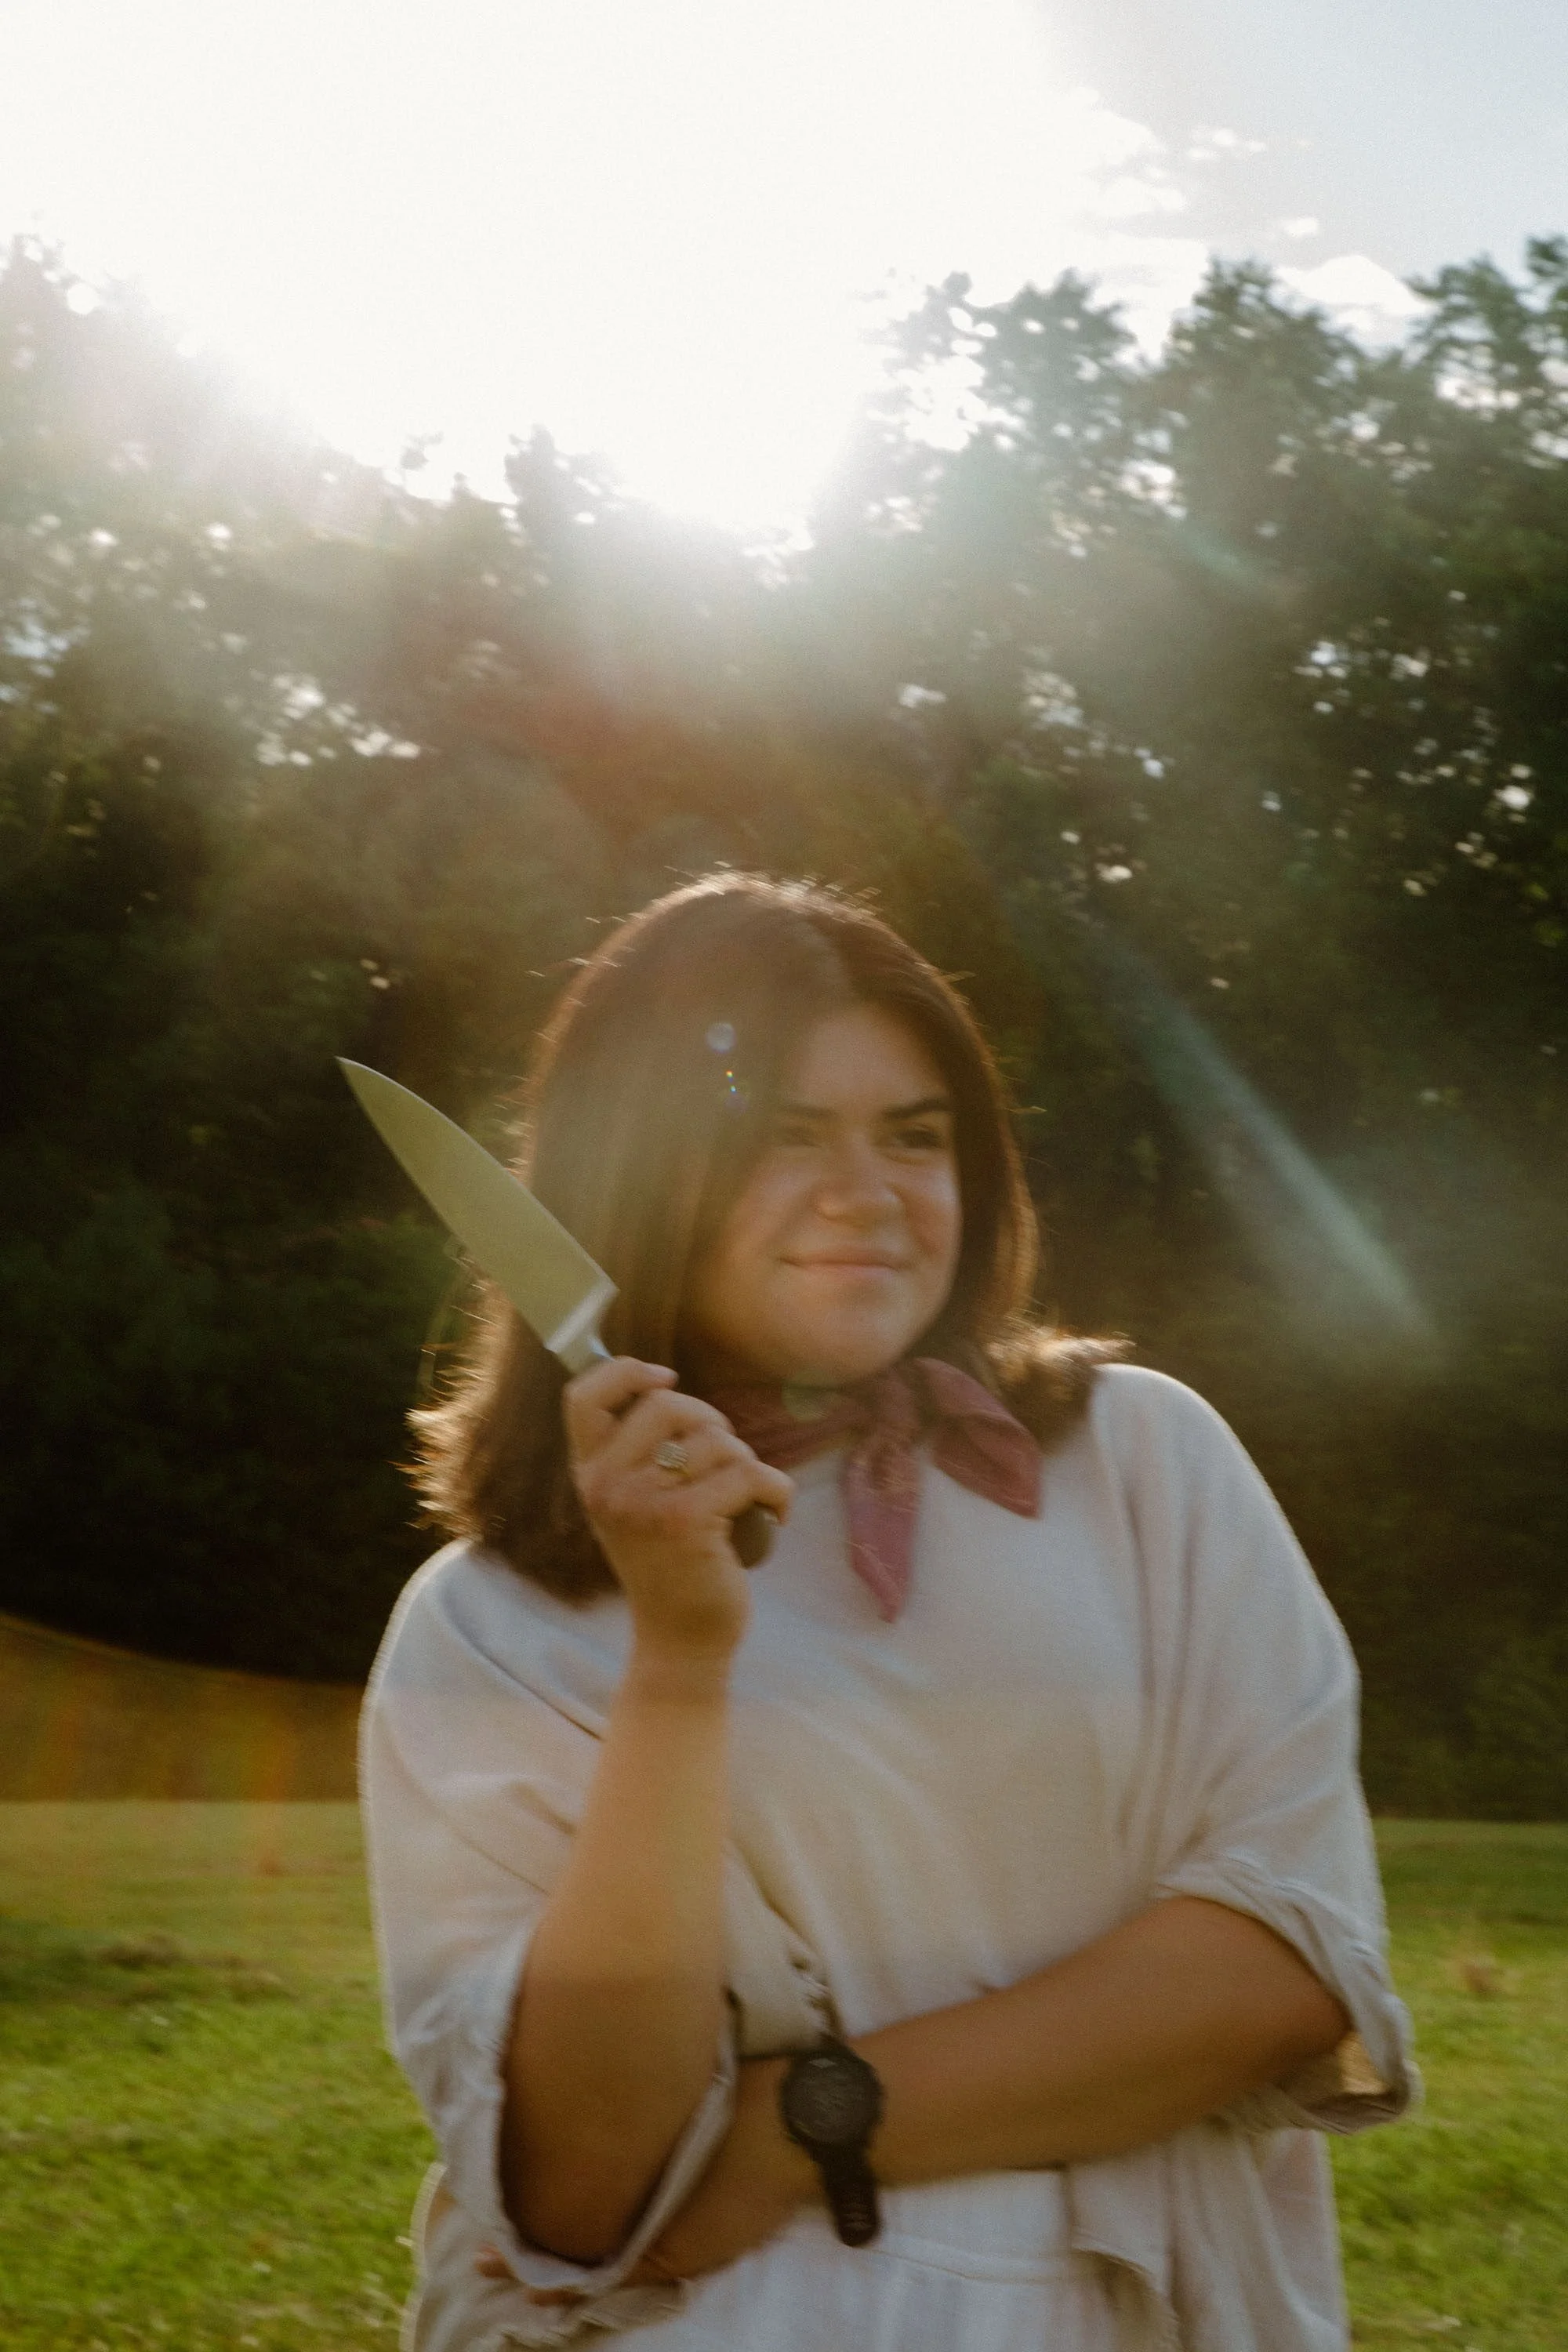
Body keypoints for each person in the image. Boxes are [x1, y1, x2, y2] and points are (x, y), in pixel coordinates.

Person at [360, 873, 1414, 2352]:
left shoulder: (1142, 1466)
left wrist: (800, 2129)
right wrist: (681, 1657)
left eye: (914, 1137)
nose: (868, 1192)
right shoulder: (484, 1630)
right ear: (634, 1175)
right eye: (784, 1136)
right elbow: (586, 2188)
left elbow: (1285, 1971)